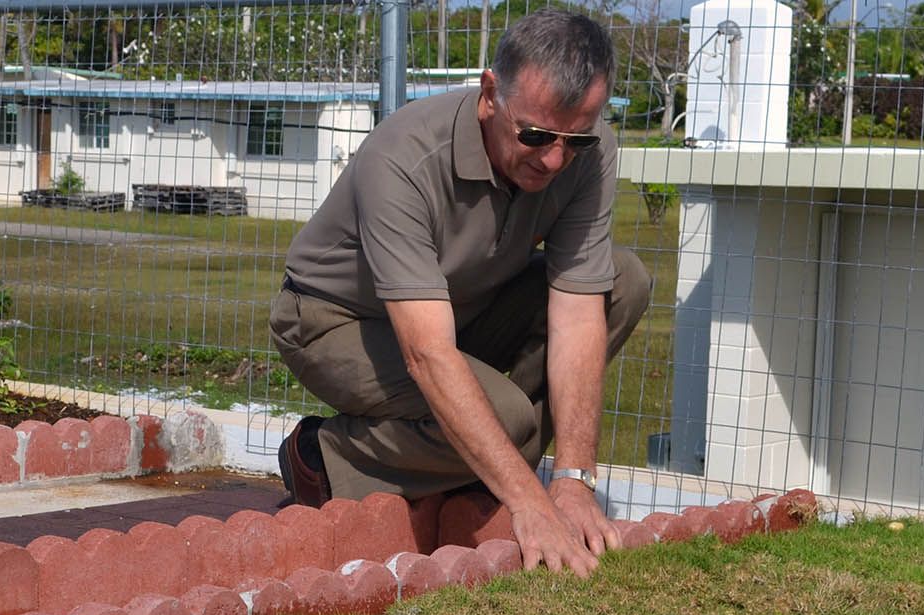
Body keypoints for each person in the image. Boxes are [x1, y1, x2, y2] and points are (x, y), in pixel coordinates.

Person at [269, 9, 650, 578]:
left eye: (574, 139)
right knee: (508, 422)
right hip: (333, 320)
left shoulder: (587, 152)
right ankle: (323, 457)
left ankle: (476, 462)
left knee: (623, 281)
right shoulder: (403, 157)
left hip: (461, 307)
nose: (554, 159)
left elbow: (577, 311)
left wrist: (573, 481)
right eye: (537, 135)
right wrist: (527, 500)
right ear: (491, 92)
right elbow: (428, 353)